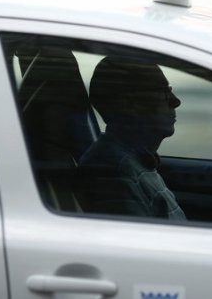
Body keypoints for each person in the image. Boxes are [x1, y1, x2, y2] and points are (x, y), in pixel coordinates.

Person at [78, 55, 185, 220]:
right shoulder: (114, 173)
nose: (175, 101)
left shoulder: (135, 161)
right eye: (163, 92)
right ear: (129, 104)